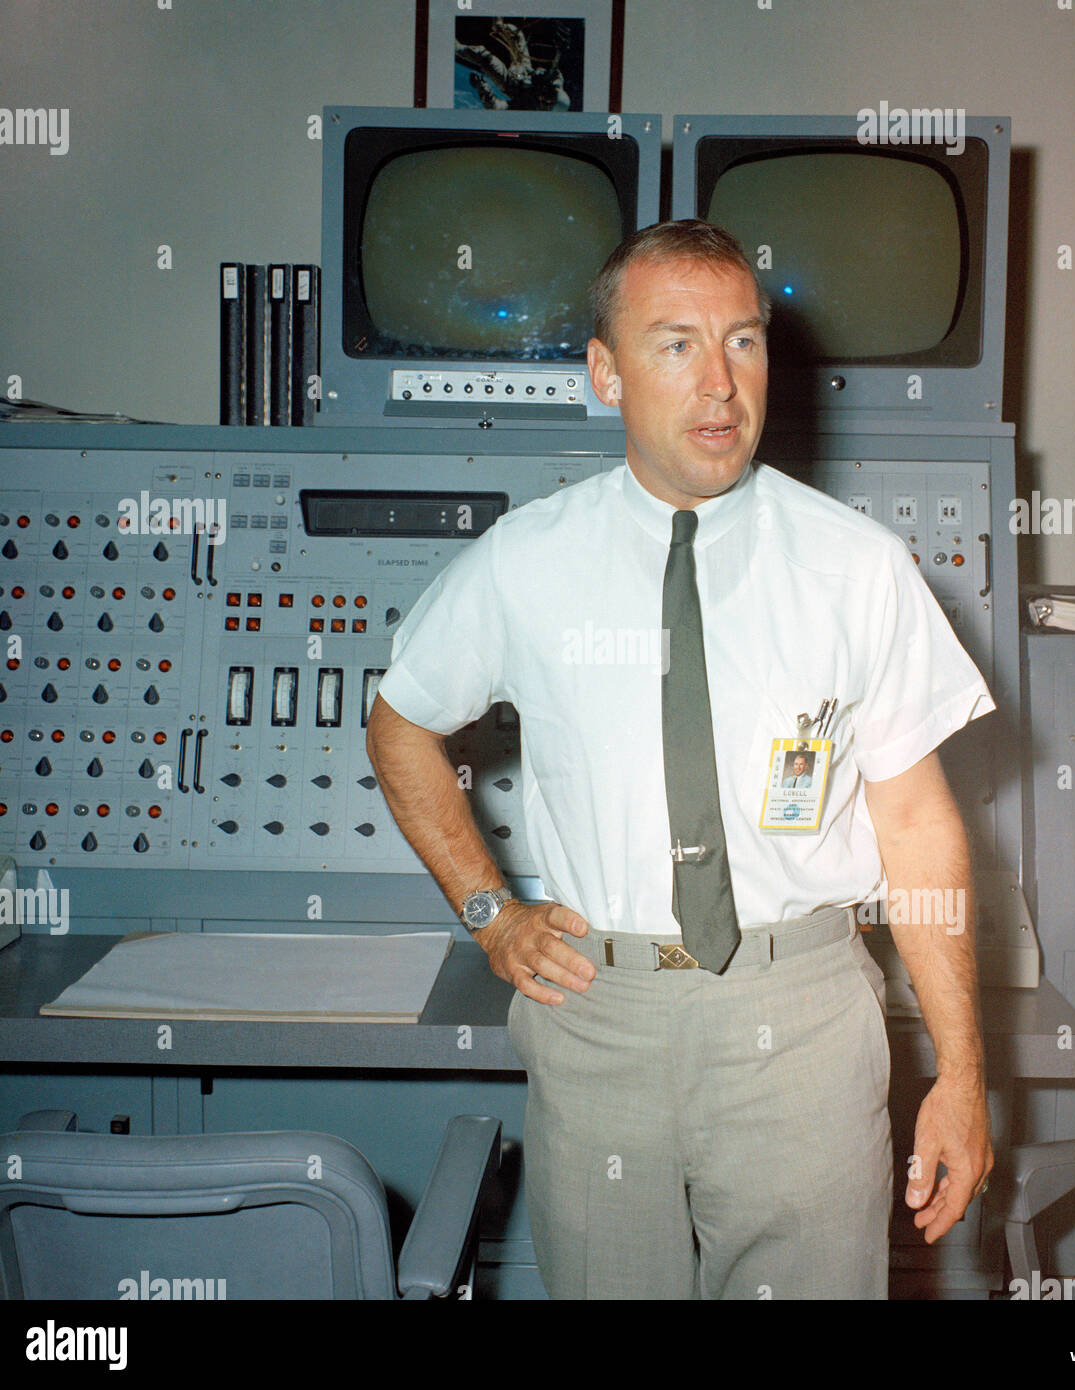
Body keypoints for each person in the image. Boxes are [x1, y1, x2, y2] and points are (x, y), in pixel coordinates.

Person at [366, 219, 995, 1299]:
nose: (719, 382)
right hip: (599, 1018)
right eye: (675, 346)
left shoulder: (858, 569)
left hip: (800, 1020)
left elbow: (917, 827)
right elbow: (400, 723)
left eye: (742, 342)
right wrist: (489, 911)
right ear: (605, 373)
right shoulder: (527, 562)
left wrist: (963, 1070)